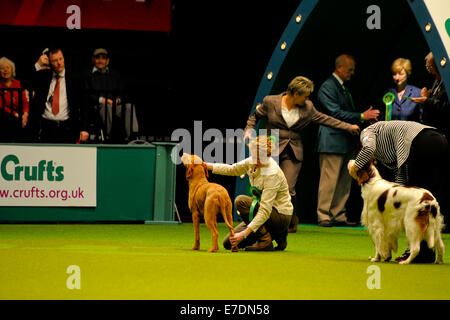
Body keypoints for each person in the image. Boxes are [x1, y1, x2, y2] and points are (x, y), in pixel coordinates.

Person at [244, 76, 360, 233]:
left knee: (288, 187)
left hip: (293, 151)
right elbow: (254, 116)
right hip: (272, 149)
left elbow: (325, 119)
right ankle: (264, 220)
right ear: (295, 94)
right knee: (266, 185)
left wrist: (348, 127)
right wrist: (249, 130)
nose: (307, 99)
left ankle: (288, 222)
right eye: (305, 96)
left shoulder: (308, 107)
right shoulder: (271, 102)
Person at [348, 120, 450, 261]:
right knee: (428, 197)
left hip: (421, 143)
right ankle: (427, 253)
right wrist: (399, 194)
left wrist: (356, 167)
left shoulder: (367, 132)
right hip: (440, 139)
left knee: (419, 197)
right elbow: (400, 172)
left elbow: (368, 149)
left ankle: (417, 253)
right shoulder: (386, 146)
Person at [316, 54, 379, 227]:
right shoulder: (327, 87)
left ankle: (338, 214)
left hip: (344, 141)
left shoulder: (342, 87)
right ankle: (323, 215)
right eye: (350, 70)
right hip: (331, 141)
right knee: (329, 180)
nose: (352, 73)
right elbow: (334, 113)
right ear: (340, 68)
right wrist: (361, 116)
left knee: (344, 180)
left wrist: (364, 119)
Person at [206, 136, 292, 251]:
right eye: (254, 156)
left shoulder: (273, 173)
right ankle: (276, 236)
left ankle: (265, 240)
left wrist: (243, 234)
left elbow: (265, 211)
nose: (255, 161)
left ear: (269, 156)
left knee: (241, 201)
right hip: (261, 212)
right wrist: (206, 166)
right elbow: (233, 169)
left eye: (259, 158)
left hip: (279, 216)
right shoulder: (252, 160)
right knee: (228, 243)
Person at [30, 48, 89, 143]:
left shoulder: (75, 78)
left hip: (68, 128)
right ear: (49, 62)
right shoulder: (43, 77)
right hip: (46, 128)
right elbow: (24, 82)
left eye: (61, 59)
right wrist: (38, 65)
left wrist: (84, 128)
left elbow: (84, 104)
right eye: (55, 60)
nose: (59, 63)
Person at [82, 48, 131, 143]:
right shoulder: (87, 74)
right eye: (97, 58)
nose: (100, 61)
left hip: (114, 105)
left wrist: (118, 100)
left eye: (103, 58)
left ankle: (132, 137)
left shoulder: (114, 74)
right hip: (97, 106)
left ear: (107, 61)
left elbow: (121, 92)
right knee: (106, 107)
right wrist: (102, 100)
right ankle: (110, 136)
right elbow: (87, 94)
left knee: (128, 107)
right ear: (93, 60)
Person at [412, 52, 450, 139]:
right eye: (427, 68)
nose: (429, 71)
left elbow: (446, 106)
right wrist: (427, 97)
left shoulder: (447, 80)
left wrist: (426, 100)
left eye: (430, 67)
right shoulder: (437, 80)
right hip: (434, 131)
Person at [0, 57, 29, 142]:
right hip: (4, 118)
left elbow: (25, 102)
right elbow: (1, 105)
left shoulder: (18, 83)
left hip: (19, 117)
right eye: (2, 68)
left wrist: (25, 114)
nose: (5, 70)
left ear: (12, 70)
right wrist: (14, 114)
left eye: (8, 68)